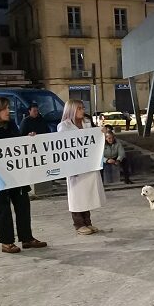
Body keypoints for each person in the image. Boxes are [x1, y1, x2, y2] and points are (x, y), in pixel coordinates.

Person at [0, 96, 47, 254]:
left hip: (16, 175)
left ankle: (27, 238)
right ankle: (6, 242)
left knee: (23, 205)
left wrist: (29, 139)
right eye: (5, 108)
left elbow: (18, 146)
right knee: (3, 210)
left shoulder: (11, 126)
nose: (9, 111)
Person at [58, 99, 106, 234]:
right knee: (76, 196)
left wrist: (100, 132)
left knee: (87, 194)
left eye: (83, 108)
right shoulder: (64, 126)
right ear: (71, 109)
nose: (82, 111)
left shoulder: (87, 123)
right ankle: (78, 224)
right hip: (74, 166)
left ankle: (87, 222)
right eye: (79, 108)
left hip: (88, 164)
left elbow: (93, 139)